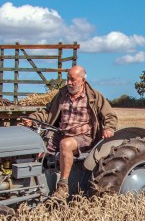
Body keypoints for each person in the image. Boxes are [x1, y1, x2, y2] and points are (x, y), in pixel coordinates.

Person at [24, 65, 118, 198]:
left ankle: (63, 186)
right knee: (37, 146)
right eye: (68, 79)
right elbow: (47, 112)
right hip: (61, 133)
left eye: (73, 79)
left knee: (65, 144)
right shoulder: (62, 95)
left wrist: (109, 128)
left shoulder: (94, 96)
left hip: (84, 137)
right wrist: (33, 118)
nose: (69, 82)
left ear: (82, 80)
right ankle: (30, 184)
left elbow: (110, 115)